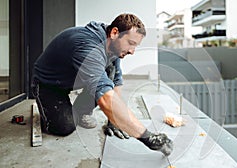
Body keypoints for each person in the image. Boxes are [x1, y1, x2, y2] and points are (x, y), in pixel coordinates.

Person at [31, 13, 173, 156]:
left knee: (109, 72)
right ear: (115, 32)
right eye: (131, 43)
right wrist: (147, 137)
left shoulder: (112, 45)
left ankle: (81, 111)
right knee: (65, 126)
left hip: (71, 79)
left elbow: (116, 81)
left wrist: (114, 120)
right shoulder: (88, 46)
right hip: (49, 85)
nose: (132, 51)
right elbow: (105, 97)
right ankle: (49, 110)